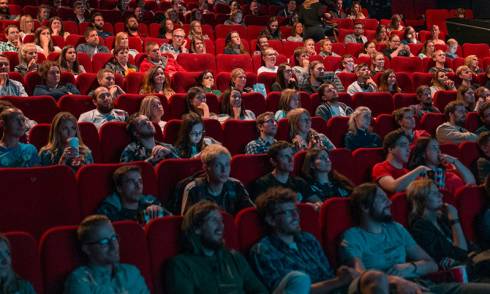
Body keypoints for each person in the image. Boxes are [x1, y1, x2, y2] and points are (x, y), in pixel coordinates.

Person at [340, 183, 490, 294]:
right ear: (364, 207)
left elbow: (431, 264)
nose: (390, 202)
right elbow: (359, 276)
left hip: (424, 284)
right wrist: (394, 280)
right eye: (382, 199)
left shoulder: (396, 228)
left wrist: (409, 267)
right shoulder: (353, 236)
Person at [249, 187, 362, 294]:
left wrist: (342, 276)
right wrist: (338, 281)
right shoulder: (264, 250)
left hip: (333, 290)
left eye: (295, 210)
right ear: (271, 220)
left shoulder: (308, 239)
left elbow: (327, 275)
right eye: (288, 212)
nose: (295, 216)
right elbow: (292, 290)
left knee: (371, 279)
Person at [166, 200, 267, 293]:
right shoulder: (181, 265)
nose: (221, 226)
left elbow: (259, 290)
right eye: (213, 220)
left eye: (221, 220)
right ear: (197, 228)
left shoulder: (234, 257)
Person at [63, 215, 150, 293]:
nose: (113, 246)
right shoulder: (79, 281)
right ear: (87, 249)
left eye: (114, 238)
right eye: (104, 242)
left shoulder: (131, 272)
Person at [407, 178, 470, 270]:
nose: (441, 195)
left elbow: (467, 246)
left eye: (438, 192)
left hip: (466, 264)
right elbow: (461, 252)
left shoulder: (442, 218)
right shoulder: (420, 227)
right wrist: (455, 220)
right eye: (434, 193)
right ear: (421, 200)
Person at [180, 145, 252, 215]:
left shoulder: (236, 185)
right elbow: (188, 223)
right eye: (218, 165)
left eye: (227, 165)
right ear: (205, 167)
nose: (224, 170)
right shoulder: (194, 189)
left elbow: (249, 214)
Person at [96, 165, 168, 222]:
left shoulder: (152, 204)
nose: (138, 186)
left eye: (140, 181)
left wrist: (160, 211)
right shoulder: (109, 213)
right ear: (119, 188)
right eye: (131, 181)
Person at [408, 137, 475, 194]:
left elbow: (472, 183)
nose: (438, 151)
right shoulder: (419, 175)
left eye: (438, 147)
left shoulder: (449, 170)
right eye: (434, 148)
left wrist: (455, 161)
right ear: (423, 154)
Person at [372, 129, 431, 193]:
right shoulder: (380, 167)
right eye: (403, 145)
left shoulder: (407, 172)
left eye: (408, 146)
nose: (409, 150)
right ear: (391, 149)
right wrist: (420, 169)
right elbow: (393, 187)